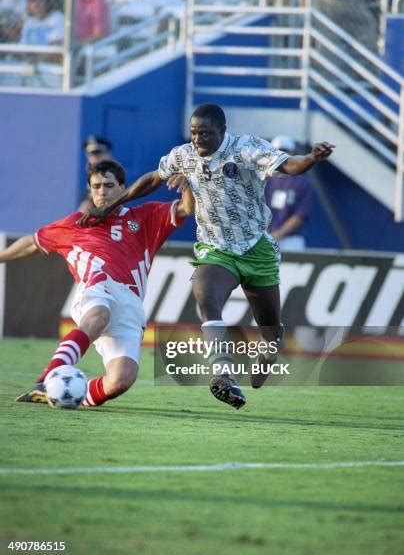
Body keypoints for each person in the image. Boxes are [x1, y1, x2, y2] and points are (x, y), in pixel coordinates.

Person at [80, 104, 335, 410]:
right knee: (205, 293)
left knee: (269, 328)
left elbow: (288, 166)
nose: (198, 139)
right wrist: (111, 205)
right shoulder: (184, 155)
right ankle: (223, 373)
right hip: (215, 248)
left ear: (222, 131)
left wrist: (310, 159)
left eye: (205, 133)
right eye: (193, 132)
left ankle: (268, 350)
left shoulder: (246, 148)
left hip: (256, 247)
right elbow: (152, 179)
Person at [0, 160, 193, 407]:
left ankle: (62, 396)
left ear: (124, 188)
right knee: (98, 316)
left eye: (109, 185)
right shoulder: (76, 223)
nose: (102, 191)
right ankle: (49, 377)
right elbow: (30, 243)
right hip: (97, 287)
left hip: (130, 304)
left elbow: (188, 209)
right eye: (96, 186)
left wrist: (186, 185)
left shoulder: (146, 216)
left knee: (120, 380)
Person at [265, 135, 313, 252]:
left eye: (284, 151)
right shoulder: (264, 179)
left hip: (292, 241)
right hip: (265, 238)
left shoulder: (302, 183)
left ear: (292, 153)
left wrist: (276, 235)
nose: (280, 155)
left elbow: (300, 215)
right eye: (276, 151)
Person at [79, 136, 114, 213]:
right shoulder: (91, 173)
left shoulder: (113, 175)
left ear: (108, 154)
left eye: (98, 154)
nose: (95, 158)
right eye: (92, 154)